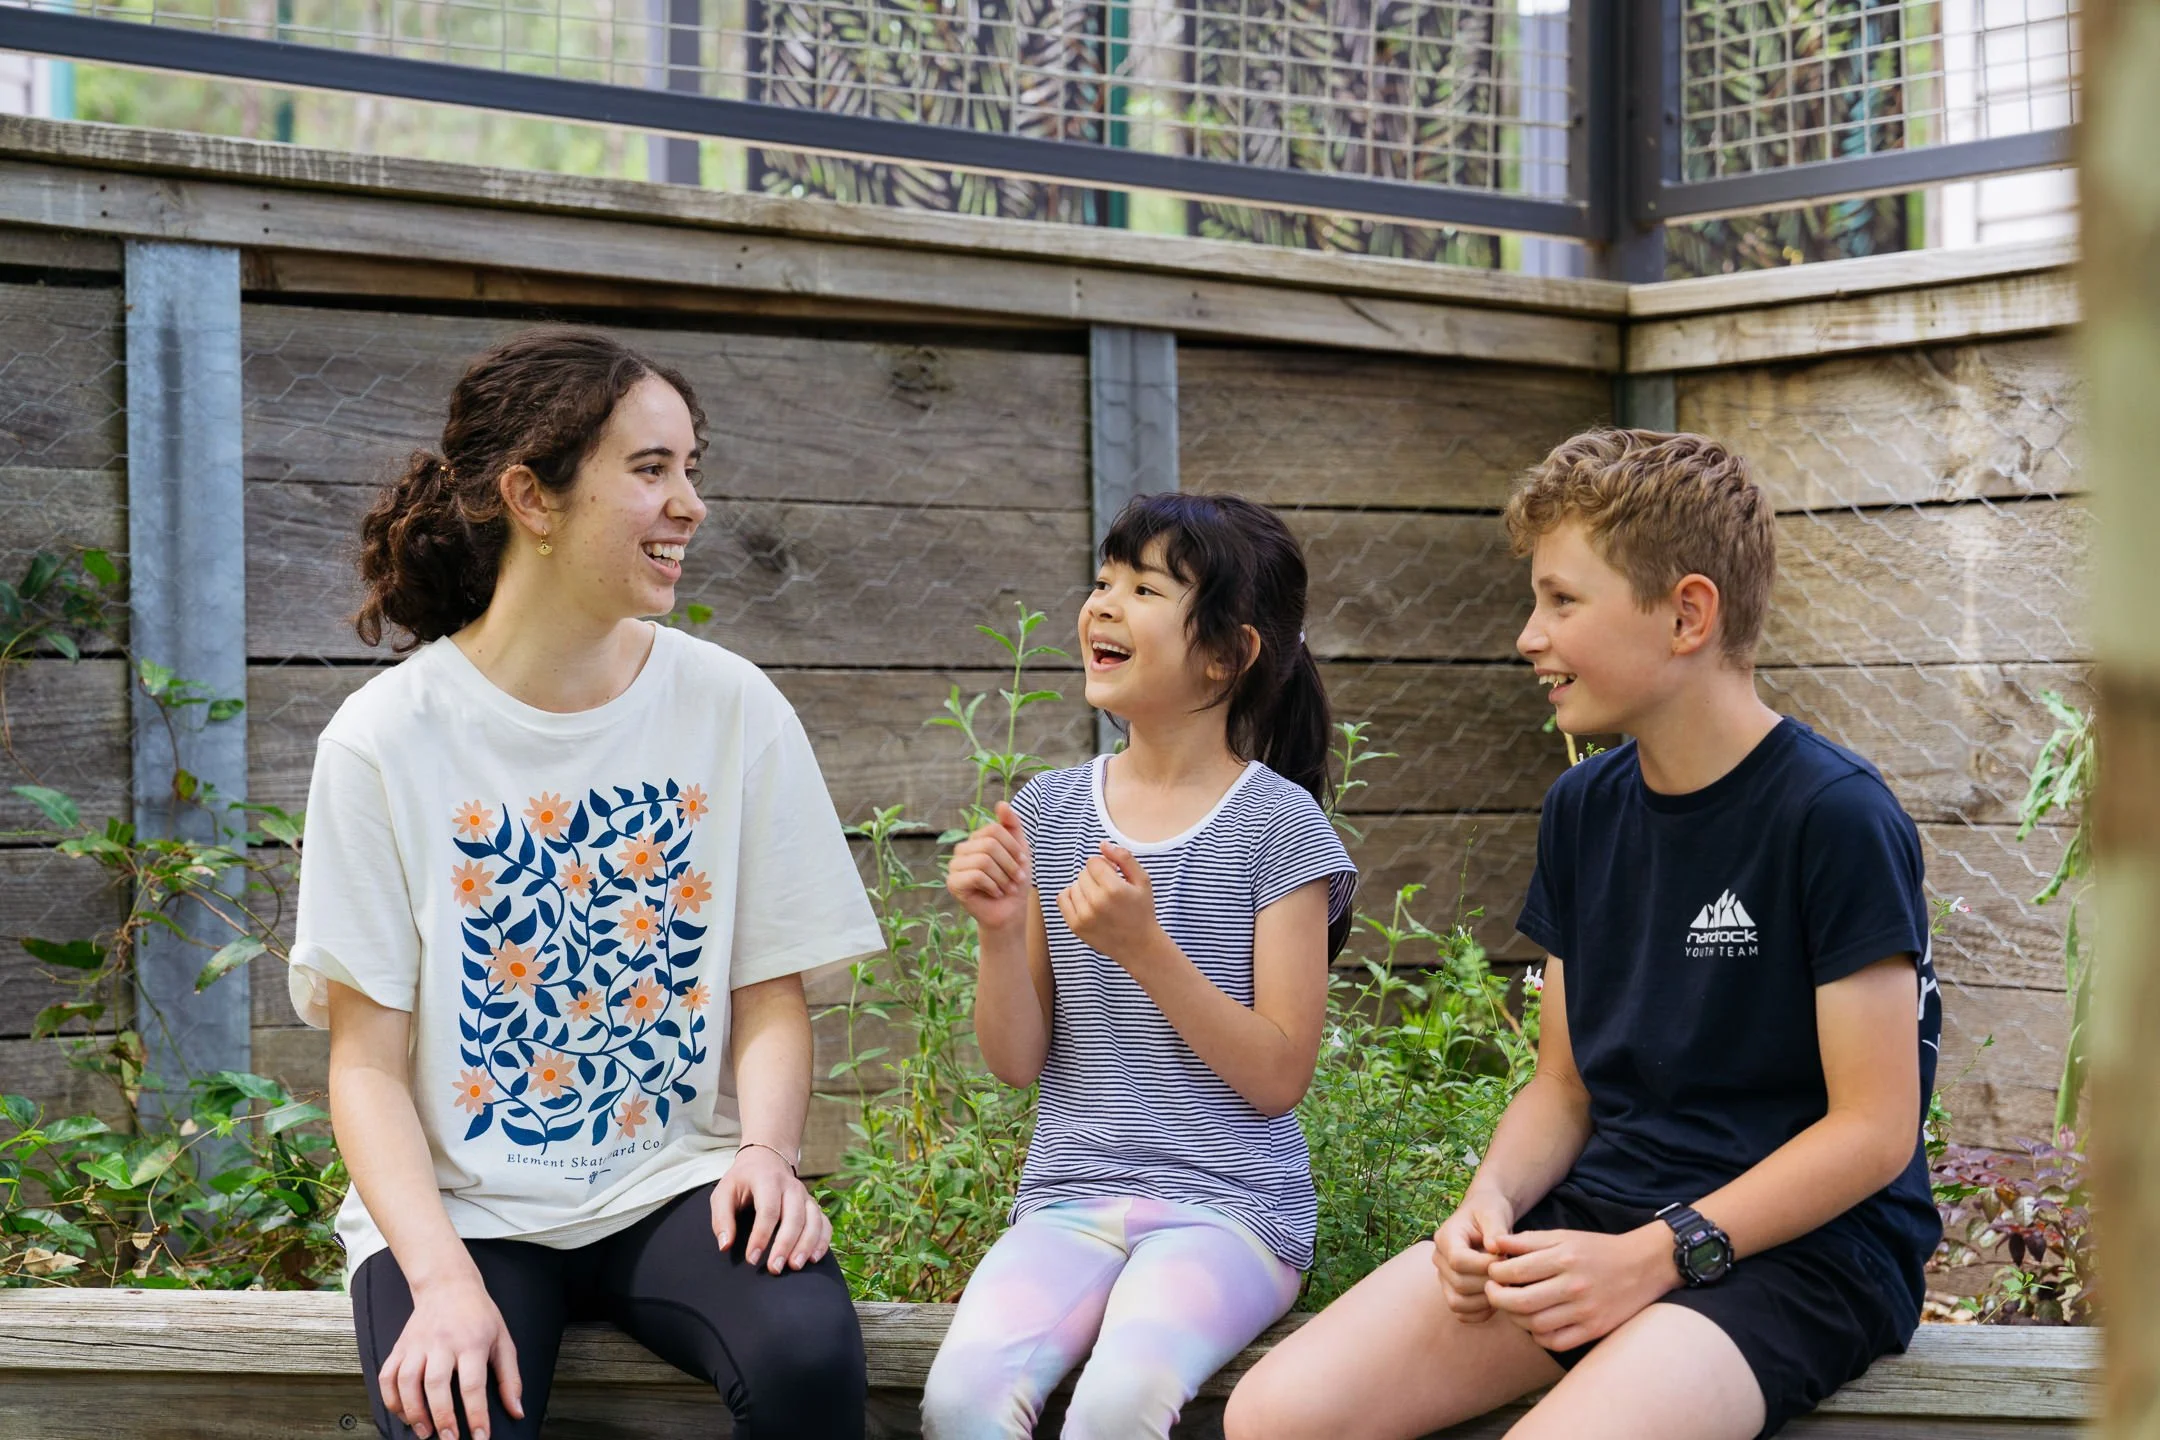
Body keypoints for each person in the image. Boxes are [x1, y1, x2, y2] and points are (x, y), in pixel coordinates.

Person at [1226, 430, 1942, 1440]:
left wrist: (1658, 1255)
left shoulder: (1835, 816)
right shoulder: (1583, 808)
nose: (1528, 634)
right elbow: (1564, 1087)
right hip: (1607, 1215)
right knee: (1274, 1416)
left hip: (1804, 1254)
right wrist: (1490, 1202)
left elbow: (1872, 1134)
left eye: (1563, 601)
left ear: (1688, 614)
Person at [289, 328, 882, 1440]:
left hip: (673, 1189)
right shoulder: (383, 740)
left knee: (807, 1357)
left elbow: (767, 992)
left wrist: (766, 1155)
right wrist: (442, 1282)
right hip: (463, 1213)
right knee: (453, 1413)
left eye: (691, 468)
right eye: (651, 469)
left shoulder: (733, 707)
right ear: (533, 497)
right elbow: (364, 1065)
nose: (691, 504)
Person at [920, 492, 1359, 1439]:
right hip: (1068, 1200)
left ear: (1227, 654)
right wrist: (1001, 928)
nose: (1103, 605)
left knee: (1118, 1403)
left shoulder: (1280, 829)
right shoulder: (1050, 810)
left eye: (1146, 588)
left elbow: (1279, 1074)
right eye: (1104, 580)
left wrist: (1144, 948)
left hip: (1232, 1215)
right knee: (960, 1401)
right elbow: (1013, 1062)